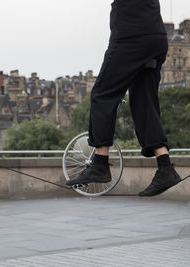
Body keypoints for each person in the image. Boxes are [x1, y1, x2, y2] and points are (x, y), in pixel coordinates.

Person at [65, 0, 182, 196]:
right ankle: (165, 168)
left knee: (103, 94)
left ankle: (100, 163)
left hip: (131, 36)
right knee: (145, 104)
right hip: (156, 37)